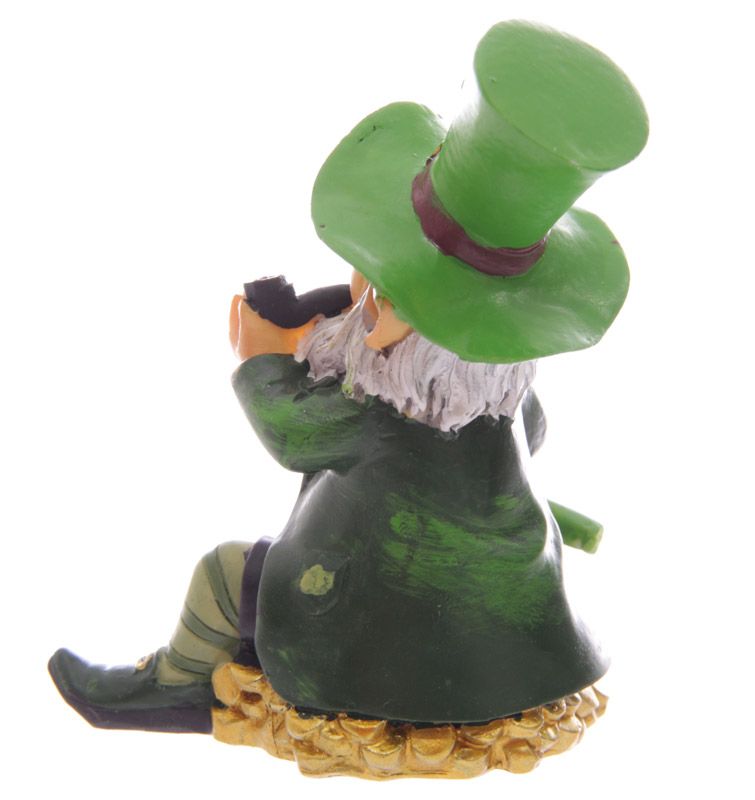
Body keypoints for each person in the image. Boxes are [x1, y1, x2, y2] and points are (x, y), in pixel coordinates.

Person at [49, 18, 647, 762]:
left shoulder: (370, 419)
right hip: (518, 631)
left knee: (225, 574)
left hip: (380, 621)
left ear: (405, 326)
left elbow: (290, 431)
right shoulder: (503, 402)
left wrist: (260, 357)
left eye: (374, 293)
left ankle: (175, 684)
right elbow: (533, 434)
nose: (354, 296)